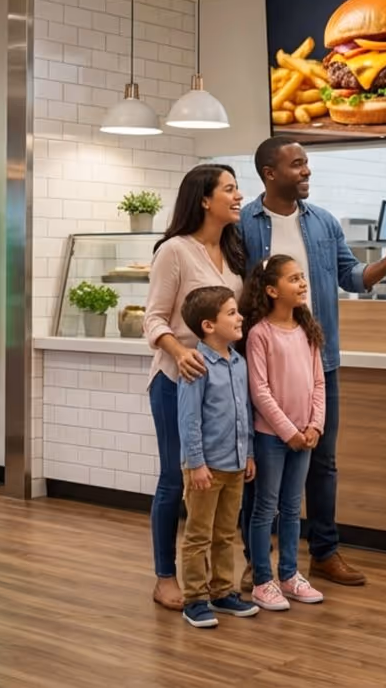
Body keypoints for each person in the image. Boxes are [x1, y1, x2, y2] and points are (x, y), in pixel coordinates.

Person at [241, 136, 386, 587]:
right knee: (260, 461)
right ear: (270, 173)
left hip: (319, 361)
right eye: (297, 164)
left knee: (323, 460)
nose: (306, 171)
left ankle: (324, 552)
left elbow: (352, 278)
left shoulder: (323, 223)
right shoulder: (243, 224)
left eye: (307, 164)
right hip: (261, 359)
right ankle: (257, 561)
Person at [142, 164, 246, 612]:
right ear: (204, 199)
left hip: (221, 384)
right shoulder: (175, 251)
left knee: (216, 487)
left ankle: (218, 585)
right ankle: (165, 577)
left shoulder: (234, 250)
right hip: (175, 380)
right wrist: (177, 351)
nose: (238, 196)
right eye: (230, 189)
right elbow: (154, 318)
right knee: (174, 478)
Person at [241, 255, 328, 611]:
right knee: (265, 509)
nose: (302, 284)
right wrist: (289, 431)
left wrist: (315, 425)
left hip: (304, 437)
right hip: (271, 438)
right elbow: (259, 391)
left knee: (293, 510)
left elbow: (319, 383)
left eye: (302, 277)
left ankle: (290, 575)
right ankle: (263, 580)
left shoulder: (308, 331)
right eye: (294, 279)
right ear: (273, 290)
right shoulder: (260, 334)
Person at [176, 285, 258, 628]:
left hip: (236, 464)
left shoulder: (238, 362)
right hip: (205, 469)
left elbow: (246, 412)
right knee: (198, 535)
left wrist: (249, 453)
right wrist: (196, 464)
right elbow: (189, 418)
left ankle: (223, 591)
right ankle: (194, 599)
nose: (240, 317)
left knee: (225, 533)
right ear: (209, 325)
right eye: (231, 313)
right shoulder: (196, 365)